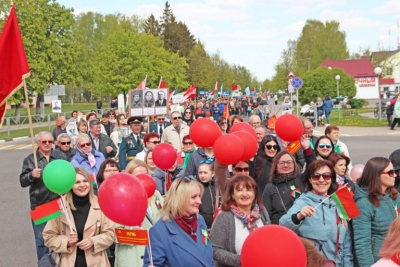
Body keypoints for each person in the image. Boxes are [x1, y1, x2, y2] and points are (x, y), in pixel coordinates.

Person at [279, 160, 353, 267]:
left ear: (331, 179)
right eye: (316, 176)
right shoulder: (303, 201)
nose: (321, 180)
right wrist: (299, 216)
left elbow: (346, 244)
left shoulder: (341, 202)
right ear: (310, 179)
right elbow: (283, 225)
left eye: (326, 176)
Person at [43, 167, 115, 267]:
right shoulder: (60, 206)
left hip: (97, 262)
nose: (82, 185)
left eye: (85, 181)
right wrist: (66, 241)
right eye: (77, 182)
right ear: (70, 185)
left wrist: (93, 241)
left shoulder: (101, 204)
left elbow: (111, 234)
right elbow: (48, 236)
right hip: (69, 262)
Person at [143, 176, 214, 267]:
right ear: (179, 199)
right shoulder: (159, 231)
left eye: (199, 196)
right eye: (194, 197)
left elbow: (209, 259)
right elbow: (153, 263)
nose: (199, 201)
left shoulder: (200, 220)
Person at [19, 131, 66, 261]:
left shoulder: (59, 156)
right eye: (44, 142)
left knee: (63, 238)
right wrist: (31, 175)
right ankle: (44, 264)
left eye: (50, 142)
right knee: (41, 241)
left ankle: (63, 263)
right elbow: (22, 181)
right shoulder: (30, 159)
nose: (47, 144)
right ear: (38, 143)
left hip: (59, 203)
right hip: (40, 205)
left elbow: (69, 173)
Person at [210, 175, 270, 267]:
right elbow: (214, 250)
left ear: (254, 194)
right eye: (240, 190)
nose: (244, 194)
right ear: (233, 195)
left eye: (249, 190)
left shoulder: (262, 212)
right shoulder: (224, 217)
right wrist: (243, 260)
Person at [115, 160, 164, 267]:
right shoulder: (120, 198)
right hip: (133, 256)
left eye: (145, 175)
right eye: (137, 176)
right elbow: (112, 234)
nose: (142, 179)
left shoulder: (155, 194)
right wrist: (132, 232)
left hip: (155, 253)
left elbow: (165, 217)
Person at [353, 157, 400, 266]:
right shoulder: (363, 204)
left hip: (395, 257)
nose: (395, 175)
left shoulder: (394, 196)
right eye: (391, 172)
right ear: (377, 175)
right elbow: (362, 243)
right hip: (378, 260)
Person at [262, 151, 303, 224]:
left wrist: (307, 149)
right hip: (281, 228)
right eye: (282, 163)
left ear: (294, 164)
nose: (286, 165)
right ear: (276, 166)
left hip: (303, 227)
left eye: (289, 162)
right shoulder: (269, 187)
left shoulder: (302, 180)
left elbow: (314, 167)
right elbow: (266, 215)